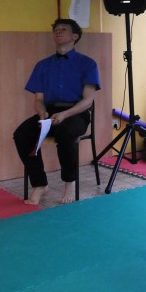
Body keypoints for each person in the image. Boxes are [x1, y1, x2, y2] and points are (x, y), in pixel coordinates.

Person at [14, 19, 100, 206]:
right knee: (22, 134)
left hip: (76, 113)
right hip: (50, 112)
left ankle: (69, 182)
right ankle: (40, 184)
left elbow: (88, 101)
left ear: (75, 36)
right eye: (56, 30)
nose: (58, 32)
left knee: (66, 133)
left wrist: (65, 114)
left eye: (63, 29)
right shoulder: (42, 65)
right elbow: (38, 99)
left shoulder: (88, 64)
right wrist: (42, 112)